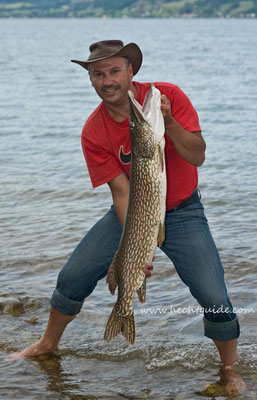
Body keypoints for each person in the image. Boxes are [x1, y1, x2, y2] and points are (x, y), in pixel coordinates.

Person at [11, 40, 244, 394]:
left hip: (184, 210)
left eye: (114, 71)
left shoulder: (166, 97)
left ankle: (230, 371)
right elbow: (122, 193)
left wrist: (168, 121)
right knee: (72, 275)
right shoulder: (94, 131)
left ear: (130, 71)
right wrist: (137, 250)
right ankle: (47, 345)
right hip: (133, 210)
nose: (107, 81)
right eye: (98, 74)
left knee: (214, 294)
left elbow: (197, 156)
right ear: (91, 79)